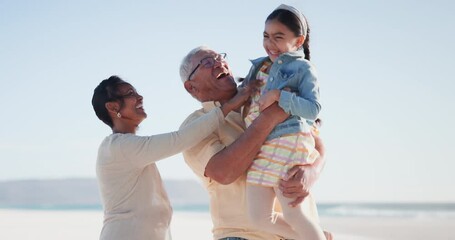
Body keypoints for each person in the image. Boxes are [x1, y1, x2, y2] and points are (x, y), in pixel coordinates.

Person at [179, 46, 329, 240]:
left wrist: (313, 171)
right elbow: (223, 172)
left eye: (220, 57)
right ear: (191, 86)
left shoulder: (261, 99)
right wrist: (270, 118)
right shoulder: (195, 124)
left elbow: (315, 142)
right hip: (244, 236)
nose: (219, 63)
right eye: (207, 62)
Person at [91, 75, 252, 240]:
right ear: (112, 107)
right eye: (130, 93)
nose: (139, 97)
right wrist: (229, 106)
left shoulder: (125, 148)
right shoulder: (118, 147)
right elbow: (180, 139)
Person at [240, 4, 326, 240]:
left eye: (279, 37)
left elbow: (313, 108)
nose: (270, 44)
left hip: (290, 141)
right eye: (266, 36)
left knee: (294, 214)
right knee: (258, 218)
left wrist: (280, 96)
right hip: (262, 144)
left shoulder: (303, 68)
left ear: (298, 41)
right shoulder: (258, 66)